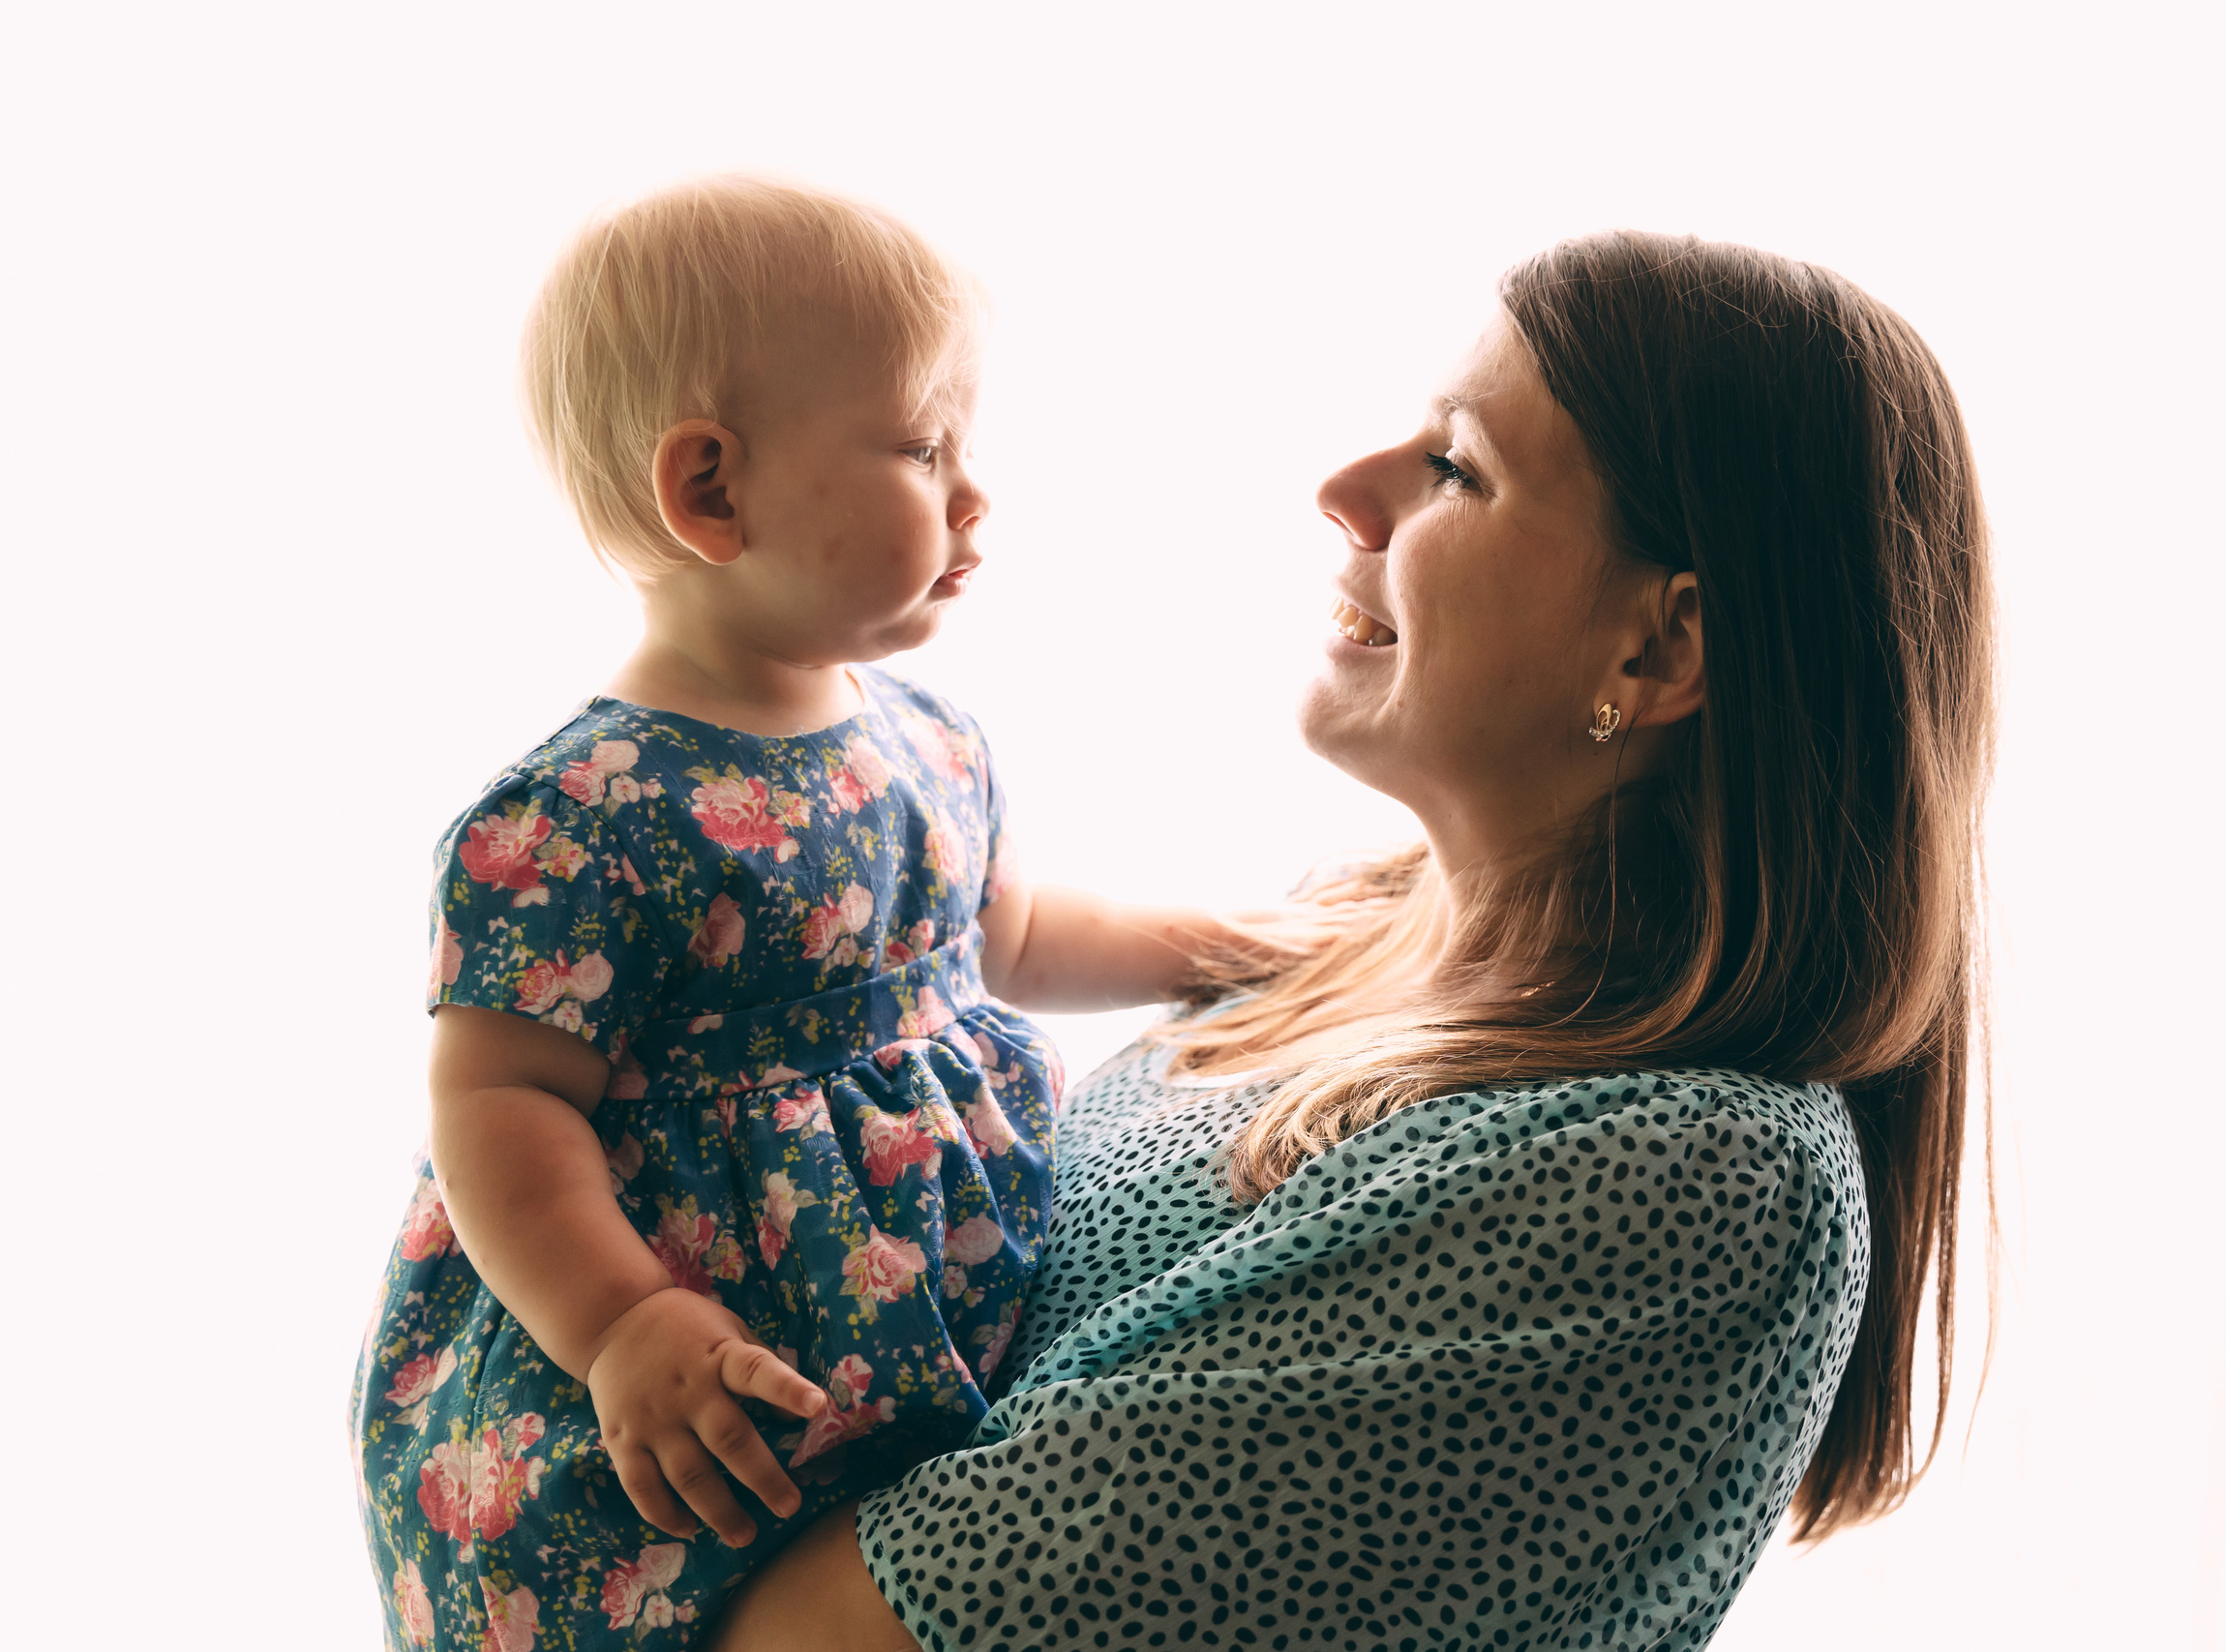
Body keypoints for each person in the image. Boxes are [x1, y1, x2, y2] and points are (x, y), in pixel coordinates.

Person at [707, 230, 1997, 1652]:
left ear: (1658, 651)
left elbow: (848, 1639)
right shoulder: (1344, 932)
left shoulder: (1685, 1176)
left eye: (1456, 468)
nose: (1343, 490)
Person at [353, 177, 1240, 1651]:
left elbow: (1004, 937)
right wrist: (622, 1322)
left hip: (903, 1356)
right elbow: (499, 1100)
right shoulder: (577, 816)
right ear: (711, 489)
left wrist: (1213, 947)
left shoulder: (928, 735)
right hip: (690, 1367)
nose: (976, 492)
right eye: (922, 446)